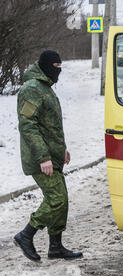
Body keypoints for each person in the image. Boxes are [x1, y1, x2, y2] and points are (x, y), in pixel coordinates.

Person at [13, 50, 83, 262]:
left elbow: (50, 125)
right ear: (45, 66)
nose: (58, 73)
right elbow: (28, 126)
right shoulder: (31, 89)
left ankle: (55, 246)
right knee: (57, 199)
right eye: (55, 68)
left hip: (53, 155)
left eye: (60, 68)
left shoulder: (45, 87)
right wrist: (44, 157)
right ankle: (26, 235)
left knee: (62, 200)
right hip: (39, 158)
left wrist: (61, 149)